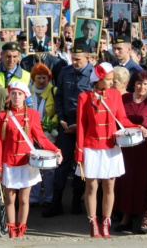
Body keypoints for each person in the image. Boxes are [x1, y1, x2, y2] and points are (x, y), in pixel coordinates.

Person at [76, 63, 144, 238]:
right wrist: (79, 152)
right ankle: (93, 222)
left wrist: (137, 127)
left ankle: (106, 222)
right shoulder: (84, 97)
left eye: (113, 79)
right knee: (91, 186)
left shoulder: (114, 95)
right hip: (91, 146)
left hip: (111, 146)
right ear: (98, 79)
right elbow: (82, 127)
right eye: (108, 79)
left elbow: (121, 118)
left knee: (109, 186)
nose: (112, 83)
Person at [0, 81, 61, 238]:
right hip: (9, 162)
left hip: (27, 163)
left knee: (24, 199)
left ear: (25, 96)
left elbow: (41, 138)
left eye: (19, 94)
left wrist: (55, 149)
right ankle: (11, 229)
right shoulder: (2, 116)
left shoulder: (33, 114)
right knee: (10, 200)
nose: (16, 97)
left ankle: (21, 228)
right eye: (13, 93)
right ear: (9, 96)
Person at [43, 46, 93, 218]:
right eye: (73, 58)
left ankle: (76, 200)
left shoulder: (93, 74)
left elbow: (94, 104)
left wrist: (81, 125)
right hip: (66, 124)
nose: (75, 62)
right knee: (62, 163)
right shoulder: (65, 72)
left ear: (87, 58)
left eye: (78, 59)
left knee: (81, 164)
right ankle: (56, 202)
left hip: (85, 126)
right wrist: (62, 120)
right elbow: (59, 97)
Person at [113, 70, 147, 234]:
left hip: (145, 150)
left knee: (143, 183)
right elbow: (116, 121)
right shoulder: (124, 99)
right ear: (133, 83)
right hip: (125, 149)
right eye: (139, 83)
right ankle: (125, 218)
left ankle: (144, 217)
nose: (142, 87)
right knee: (125, 183)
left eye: (146, 84)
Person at [28, 63, 57, 208]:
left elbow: (58, 112)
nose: (41, 81)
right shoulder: (27, 92)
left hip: (49, 135)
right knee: (33, 166)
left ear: (49, 79)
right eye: (38, 78)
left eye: (44, 78)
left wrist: (50, 125)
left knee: (49, 169)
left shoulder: (54, 91)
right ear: (33, 79)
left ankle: (48, 198)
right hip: (30, 135)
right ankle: (33, 198)